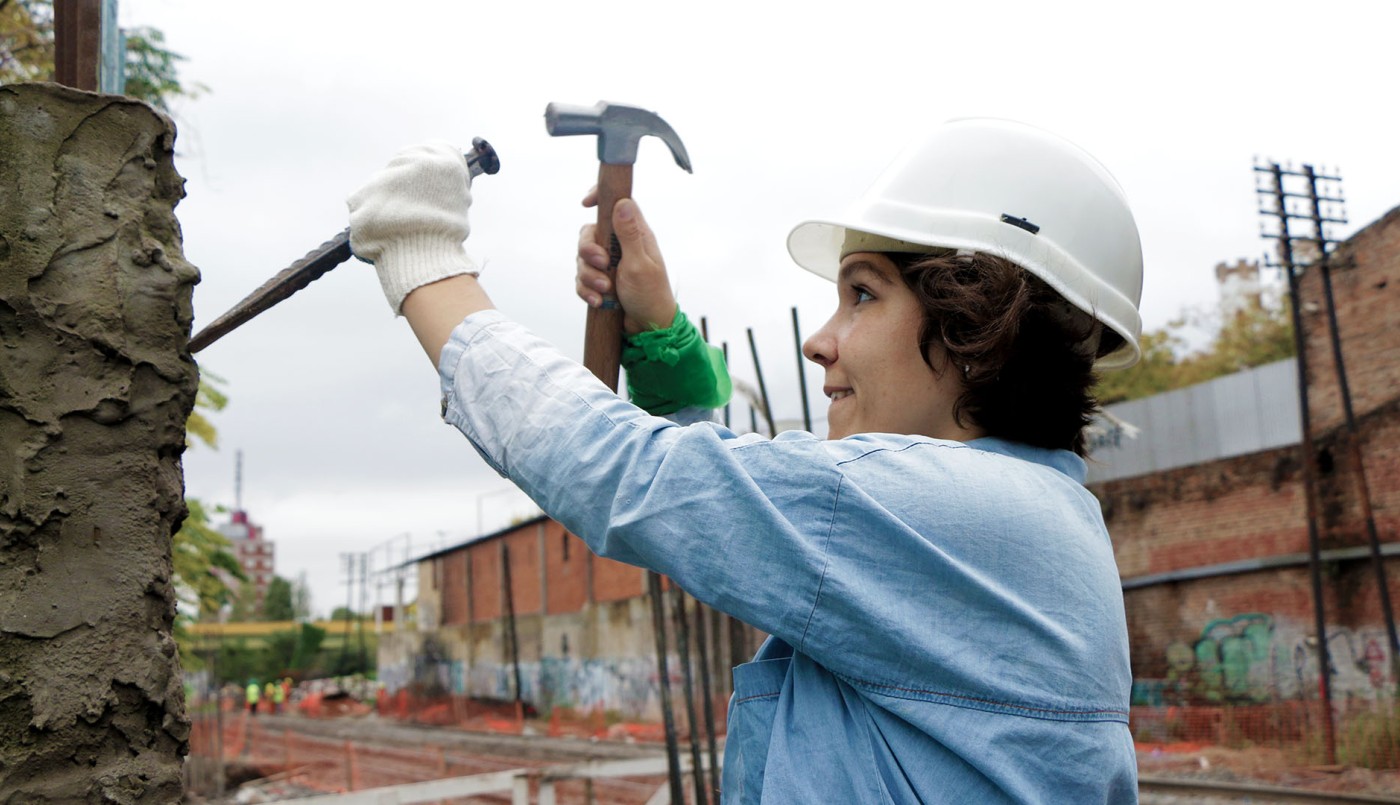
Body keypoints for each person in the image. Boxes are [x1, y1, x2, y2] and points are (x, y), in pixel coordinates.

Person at [347, 118, 1142, 803]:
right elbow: (745, 512)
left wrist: (424, 257)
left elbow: (633, 472)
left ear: (979, 325)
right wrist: (660, 337)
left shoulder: (945, 512)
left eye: (862, 294)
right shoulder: (1025, 521)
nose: (819, 338)